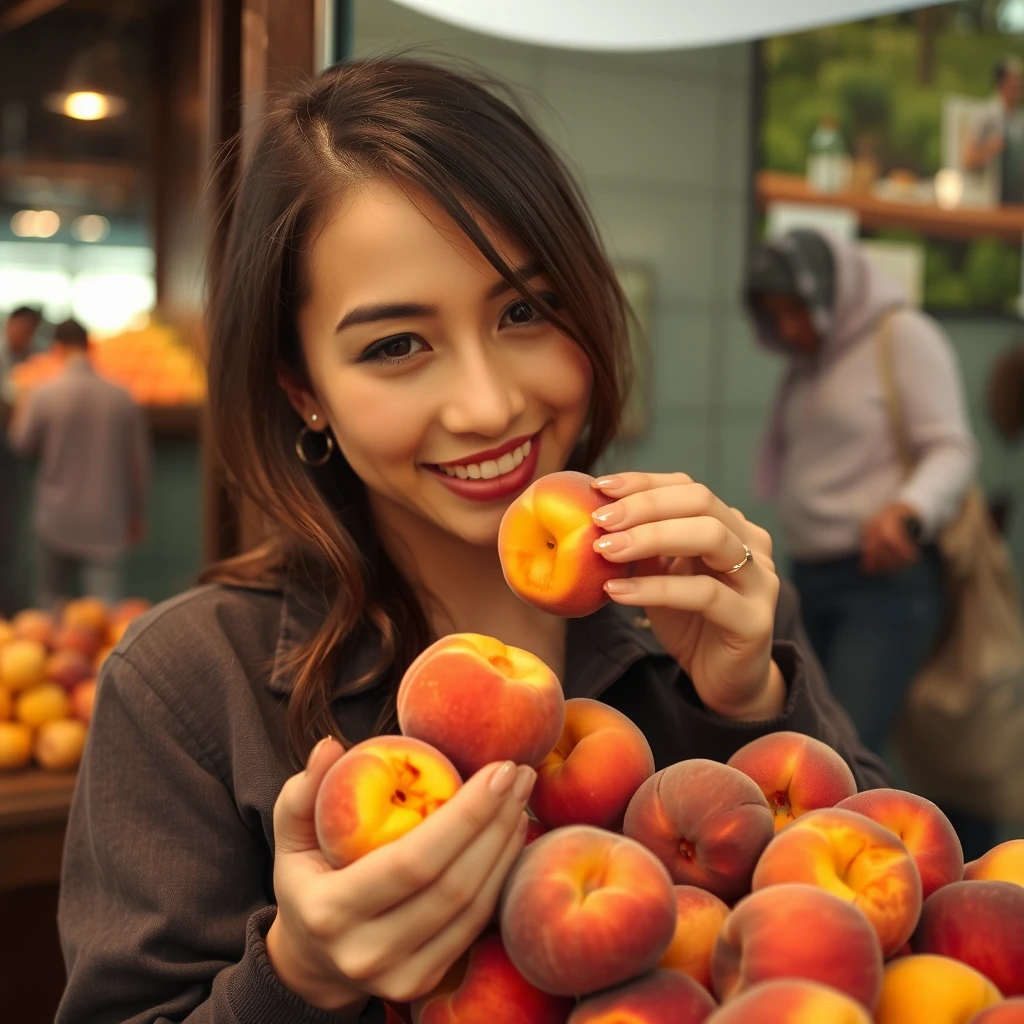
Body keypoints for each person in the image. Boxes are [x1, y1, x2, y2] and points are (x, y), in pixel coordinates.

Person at [56, 60, 888, 1024]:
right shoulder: (193, 689)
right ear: (303, 389)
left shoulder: (700, 601)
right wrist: (297, 978)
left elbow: (883, 931)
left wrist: (747, 705)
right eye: (396, 345)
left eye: (523, 311)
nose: (490, 405)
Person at [745, 228, 989, 851]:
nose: (790, 329)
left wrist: (910, 510)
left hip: (882, 580)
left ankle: (853, 887)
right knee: (806, 740)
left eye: (796, 310)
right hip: (811, 575)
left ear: (830, 292)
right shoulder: (812, 361)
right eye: (776, 316)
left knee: (839, 756)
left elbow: (952, 446)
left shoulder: (901, 336)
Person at [7, 318, 149, 609]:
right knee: (104, 610)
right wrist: (135, 512)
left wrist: (22, 397)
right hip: (106, 515)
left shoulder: (43, 394)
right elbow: (139, 463)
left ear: (57, 349)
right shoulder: (122, 396)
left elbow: (20, 443)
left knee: (49, 605)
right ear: (90, 346)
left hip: (55, 513)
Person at [0, 305, 43, 614]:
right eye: (20, 328)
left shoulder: (40, 360)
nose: (23, 336)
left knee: (12, 531)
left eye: (30, 331)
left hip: (19, 456)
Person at [962, 55, 1024, 205]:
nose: (1018, 84)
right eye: (1013, 79)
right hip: (992, 199)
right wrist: (991, 148)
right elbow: (967, 159)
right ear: (1000, 82)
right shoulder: (985, 115)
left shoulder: (1020, 118)